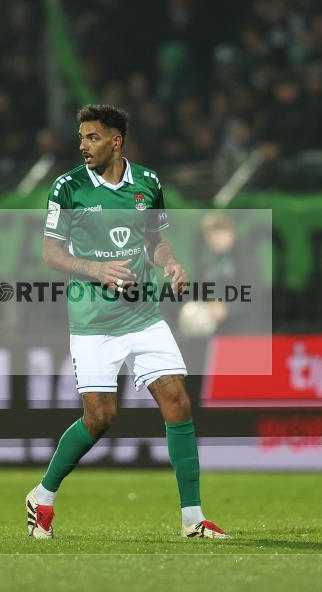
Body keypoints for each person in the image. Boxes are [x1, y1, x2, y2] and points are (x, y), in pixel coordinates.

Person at [26, 104, 228, 539]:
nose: (83, 145)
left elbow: (154, 239)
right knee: (100, 417)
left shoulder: (148, 183)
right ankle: (42, 495)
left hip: (142, 314)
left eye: (92, 137)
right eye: (81, 137)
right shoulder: (68, 188)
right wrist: (98, 270)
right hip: (92, 320)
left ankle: (193, 519)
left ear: (116, 140)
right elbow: (51, 254)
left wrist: (171, 262)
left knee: (178, 400)